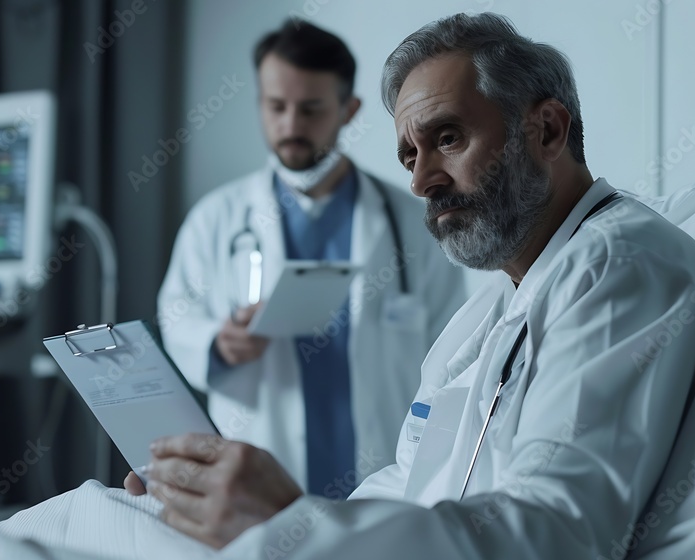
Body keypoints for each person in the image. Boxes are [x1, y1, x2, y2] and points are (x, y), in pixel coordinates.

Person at [122, 12, 695, 557]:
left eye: (448, 138)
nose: (421, 181)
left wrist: (291, 525)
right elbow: (406, 480)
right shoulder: (496, 302)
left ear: (547, 130)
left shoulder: (614, 264)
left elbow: (559, 531)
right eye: (410, 155)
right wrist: (263, 523)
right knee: (104, 515)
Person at [157, 19, 466, 497]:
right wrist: (218, 344)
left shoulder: (413, 221)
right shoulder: (215, 219)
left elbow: (450, 352)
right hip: (255, 470)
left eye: (311, 109)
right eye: (275, 107)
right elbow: (177, 320)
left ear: (349, 109)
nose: (291, 127)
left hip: (382, 475)